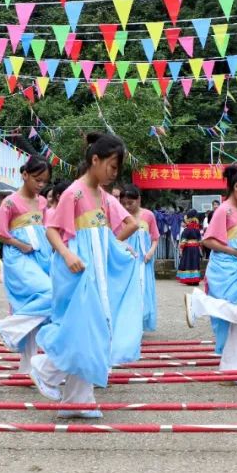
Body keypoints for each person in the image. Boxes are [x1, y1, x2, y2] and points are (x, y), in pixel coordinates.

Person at [31, 132, 142, 417]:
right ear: (95, 159)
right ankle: (45, 367)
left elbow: (129, 223)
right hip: (76, 269)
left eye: (117, 169)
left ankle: (77, 400)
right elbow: (52, 229)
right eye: (112, 166)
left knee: (94, 329)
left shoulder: (103, 196)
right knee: (82, 328)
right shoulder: (75, 192)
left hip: (96, 270)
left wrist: (114, 249)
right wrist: (68, 255)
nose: (114, 173)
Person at [184, 165, 237, 386]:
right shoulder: (224, 210)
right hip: (228, 269)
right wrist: (236, 252)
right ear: (236, 186)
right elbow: (208, 240)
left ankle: (231, 371)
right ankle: (199, 302)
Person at [0, 157, 53, 371]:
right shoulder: (10, 201)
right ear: (25, 174)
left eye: (44, 181)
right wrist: (20, 244)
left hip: (42, 255)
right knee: (49, 292)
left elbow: (46, 228)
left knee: (35, 312)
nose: (40, 185)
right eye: (37, 179)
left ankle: (28, 367)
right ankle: (8, 327)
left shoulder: (43, 202)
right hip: (19, 256)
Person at [119, 184, 160, 332]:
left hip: (144, 259)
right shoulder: (121, 216)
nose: (127, 206)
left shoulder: (148, 215)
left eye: (130, 203)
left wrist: (150, 252)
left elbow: (155, 237)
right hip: (127, 259)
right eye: (123, 203)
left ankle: (140, 321)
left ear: (139, 200)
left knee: (143, 289)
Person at [176, 209, 204, 285]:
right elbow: (200, 241)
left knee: (188, 263)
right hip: (196, 249)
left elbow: (183, 241)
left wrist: (181, 249)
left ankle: (189, 279)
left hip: (188, 249)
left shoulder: (187, 230)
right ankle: (195, 280)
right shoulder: (197, 229)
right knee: (195, 263)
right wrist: (200, 249)